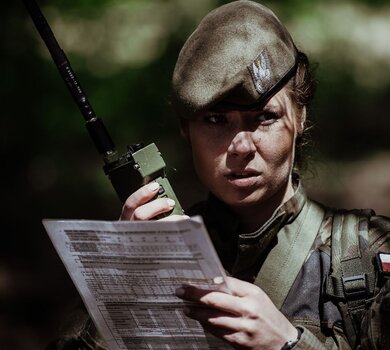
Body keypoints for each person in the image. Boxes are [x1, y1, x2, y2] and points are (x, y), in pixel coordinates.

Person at [48, 1, 389, 349]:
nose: (241, 146)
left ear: (299, 117)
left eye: (265, 117)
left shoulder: (367, 259)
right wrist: (121, 286)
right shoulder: (147, 255)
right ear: (186, 129)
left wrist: (287, 342)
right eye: (215, 120)